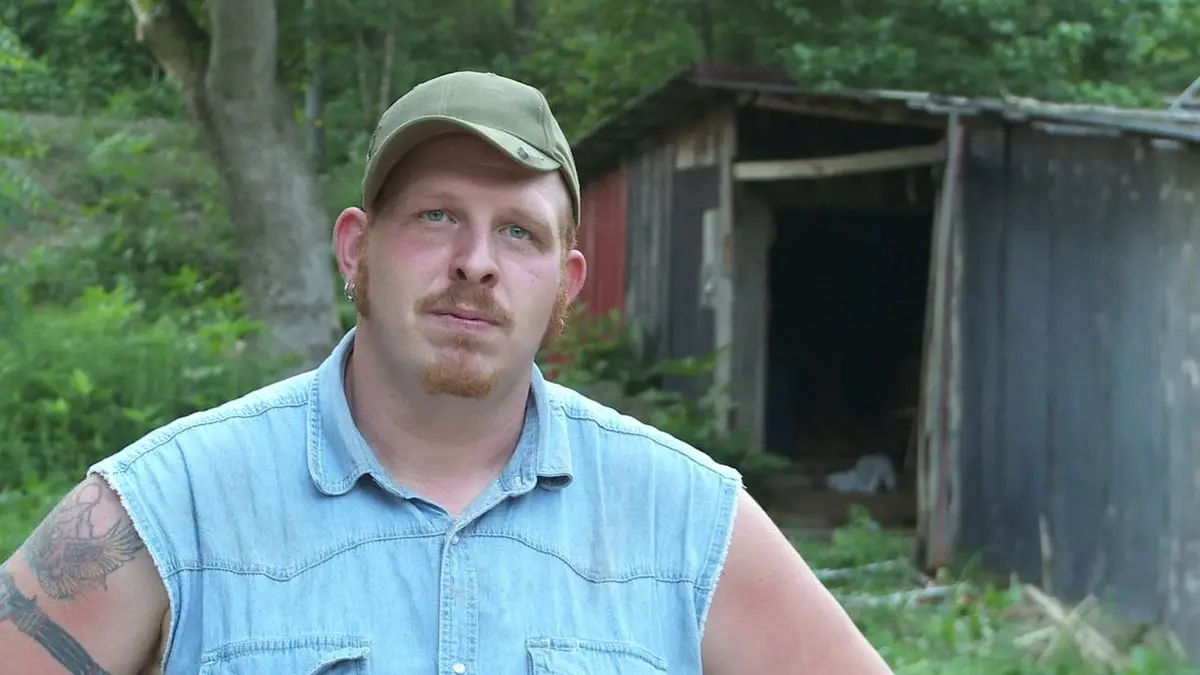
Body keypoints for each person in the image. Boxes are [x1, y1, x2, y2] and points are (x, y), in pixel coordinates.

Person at [0, 70, 892, 674]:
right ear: (357, 249)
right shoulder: (172, 504)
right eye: (436, 215)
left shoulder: (687, 519)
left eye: (519, 232)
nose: (476, 261)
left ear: (565, 284)